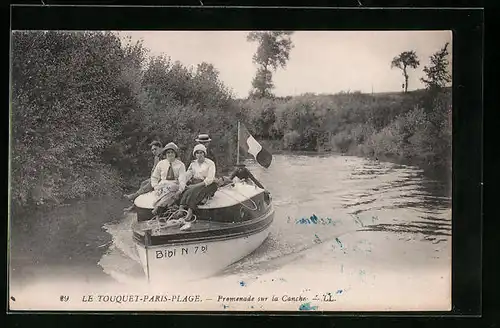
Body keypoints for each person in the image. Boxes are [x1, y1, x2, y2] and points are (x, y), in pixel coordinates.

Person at [172, 144, 217, 230]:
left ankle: (189, 211)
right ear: (195, 154)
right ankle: (181, 209)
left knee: (194, 190)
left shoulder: (210, 163)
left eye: (201, 153)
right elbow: (188, 174)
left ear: (204, 153)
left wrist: (195, 186)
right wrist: (181, 180)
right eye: (197, 153)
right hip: (196, 183)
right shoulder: (193, 164)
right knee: (186, 189)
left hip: (209, 184)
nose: (199, 155)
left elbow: (209, 179)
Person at [123, 140, 164, 211]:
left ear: (160, 148)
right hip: (155, 178)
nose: (154, 151)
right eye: (152, 150)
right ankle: (134, 206)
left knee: (147, 186)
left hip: (163, 178)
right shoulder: (156, 157)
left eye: (155, 149)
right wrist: (152, 177)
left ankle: (133, 196)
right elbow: (153, 169)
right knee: (143, 183)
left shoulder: (164, 156)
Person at [150, 142, 186, 215]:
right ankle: (166, 205)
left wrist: (180, 191)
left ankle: (158, 206)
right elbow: (154, 177)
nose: (170, 154)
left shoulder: (180, 165)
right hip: (163, 184)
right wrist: (155, 186)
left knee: (172, 187)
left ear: (175, 154)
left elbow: (182, 179)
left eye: (172, 152)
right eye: (168, 152)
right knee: (163, 190)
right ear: (165, 154)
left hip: (174, 184)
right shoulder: (161, 163)